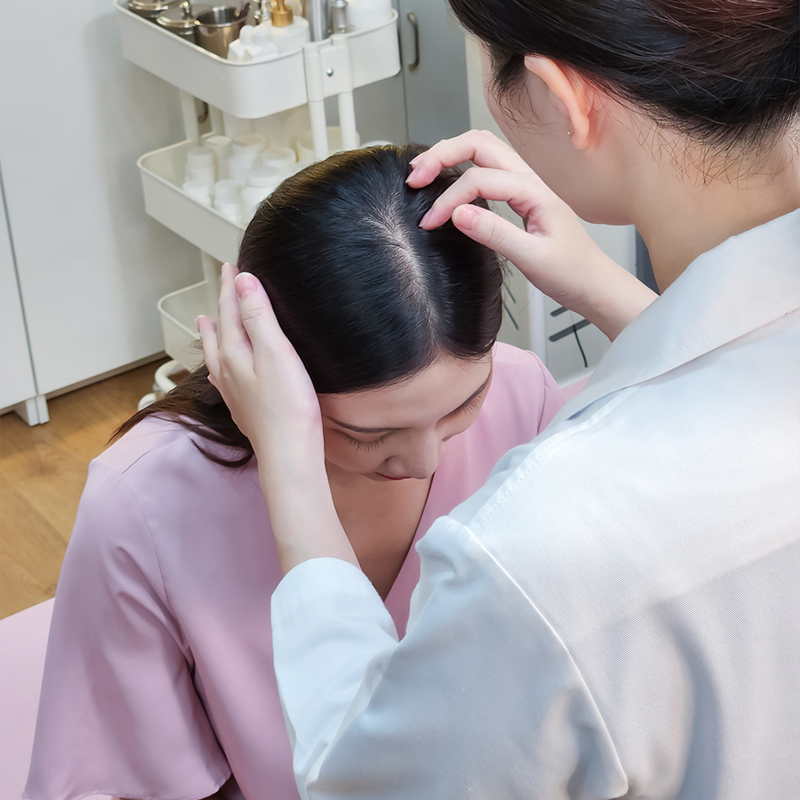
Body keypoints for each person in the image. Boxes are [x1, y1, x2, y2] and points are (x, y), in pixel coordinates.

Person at [199, 1, 800, 798]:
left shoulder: (540, 551)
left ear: (559, 96)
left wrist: (294, 470)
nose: (419, 461)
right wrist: (605, 288)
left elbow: (364, 780)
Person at [26, 144, 642, 800]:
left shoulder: (523, 393)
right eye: (365, 435)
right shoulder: (145, 503)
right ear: (262, 366)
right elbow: (114, 781)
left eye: (463, 404)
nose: (425, 461)